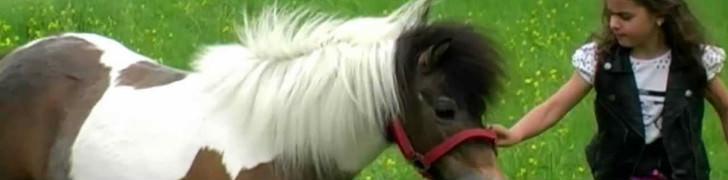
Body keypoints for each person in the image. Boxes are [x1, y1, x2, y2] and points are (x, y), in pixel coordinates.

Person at [490, 0, 727, 179]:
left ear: (659, 15)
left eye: (625, 16)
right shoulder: (600, 60)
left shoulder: (694, 62)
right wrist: (515, 133)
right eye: (610, 14)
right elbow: (554, 107)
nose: (614, 23)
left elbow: (726, 108)